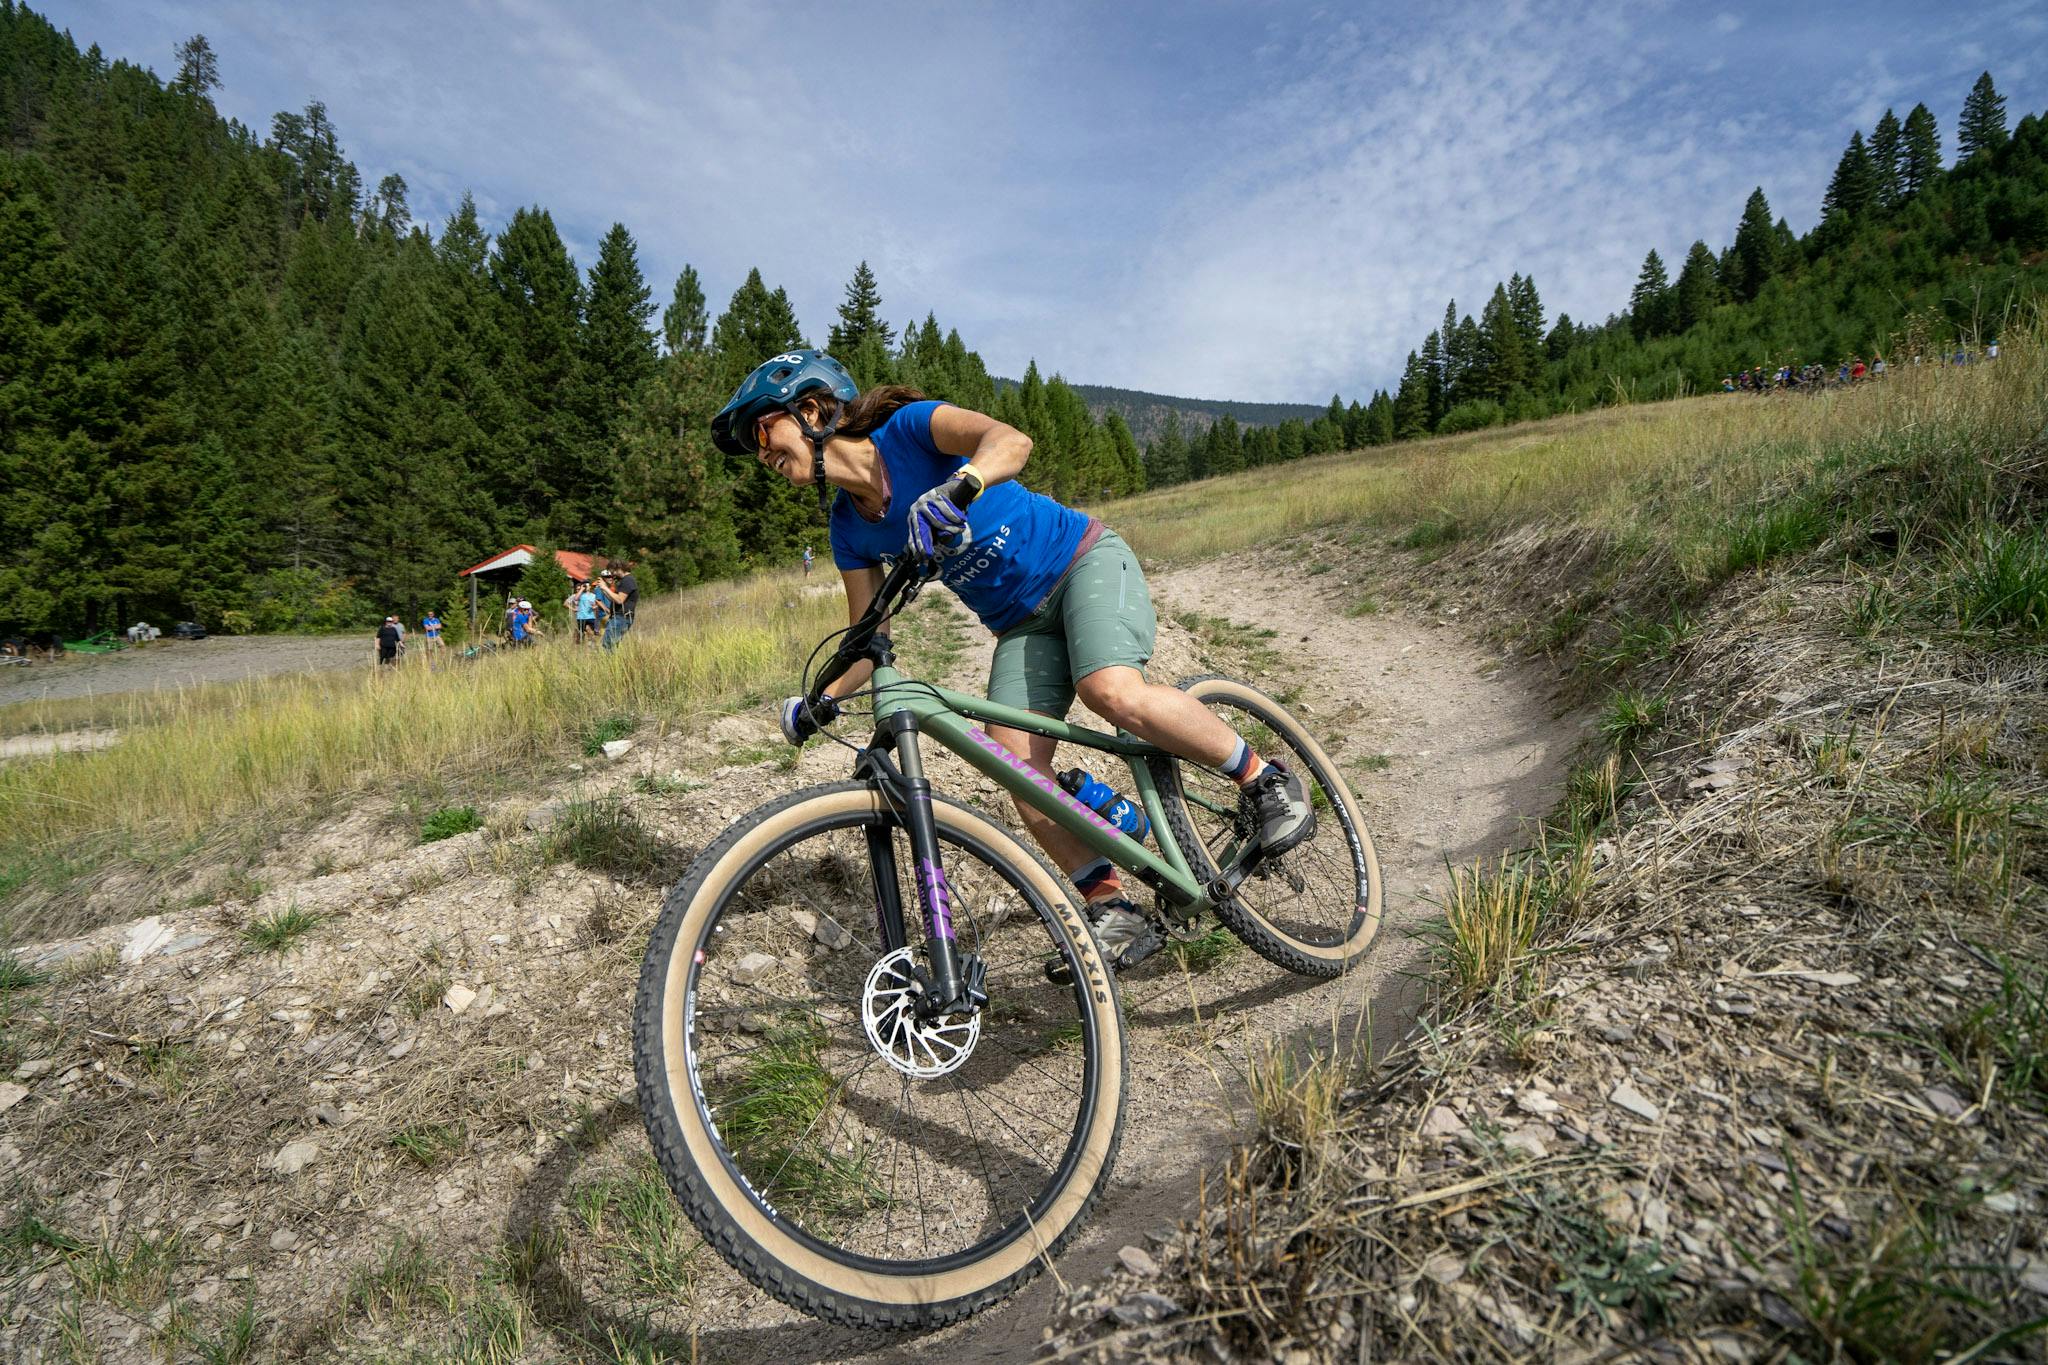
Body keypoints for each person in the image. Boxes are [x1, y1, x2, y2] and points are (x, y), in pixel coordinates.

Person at [713, 349, 1315, 974]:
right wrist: (822, 697)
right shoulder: (848, 529)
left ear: (812, 410)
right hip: (1021, 624)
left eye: (762, 431)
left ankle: (1265, 781)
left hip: (1082, 562)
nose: (762, 454)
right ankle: (1113, 908)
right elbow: (869, 635)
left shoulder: (912, 429)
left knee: (1109, 690)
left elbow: (1011, 440)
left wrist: (960, 484)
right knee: (1013, 761)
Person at [572, 580, 602, 645]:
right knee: (581, 633)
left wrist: (595, 607)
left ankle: (591, 645)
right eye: (584, 585)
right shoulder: (580, 594)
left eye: (587, 585)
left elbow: (597, 604)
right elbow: (575, 599)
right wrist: (581, 589)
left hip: (591, 616)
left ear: (590, 587)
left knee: (590, 631)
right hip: (581, 617)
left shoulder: (593, 595)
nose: (586, 587)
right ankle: (579, 645)